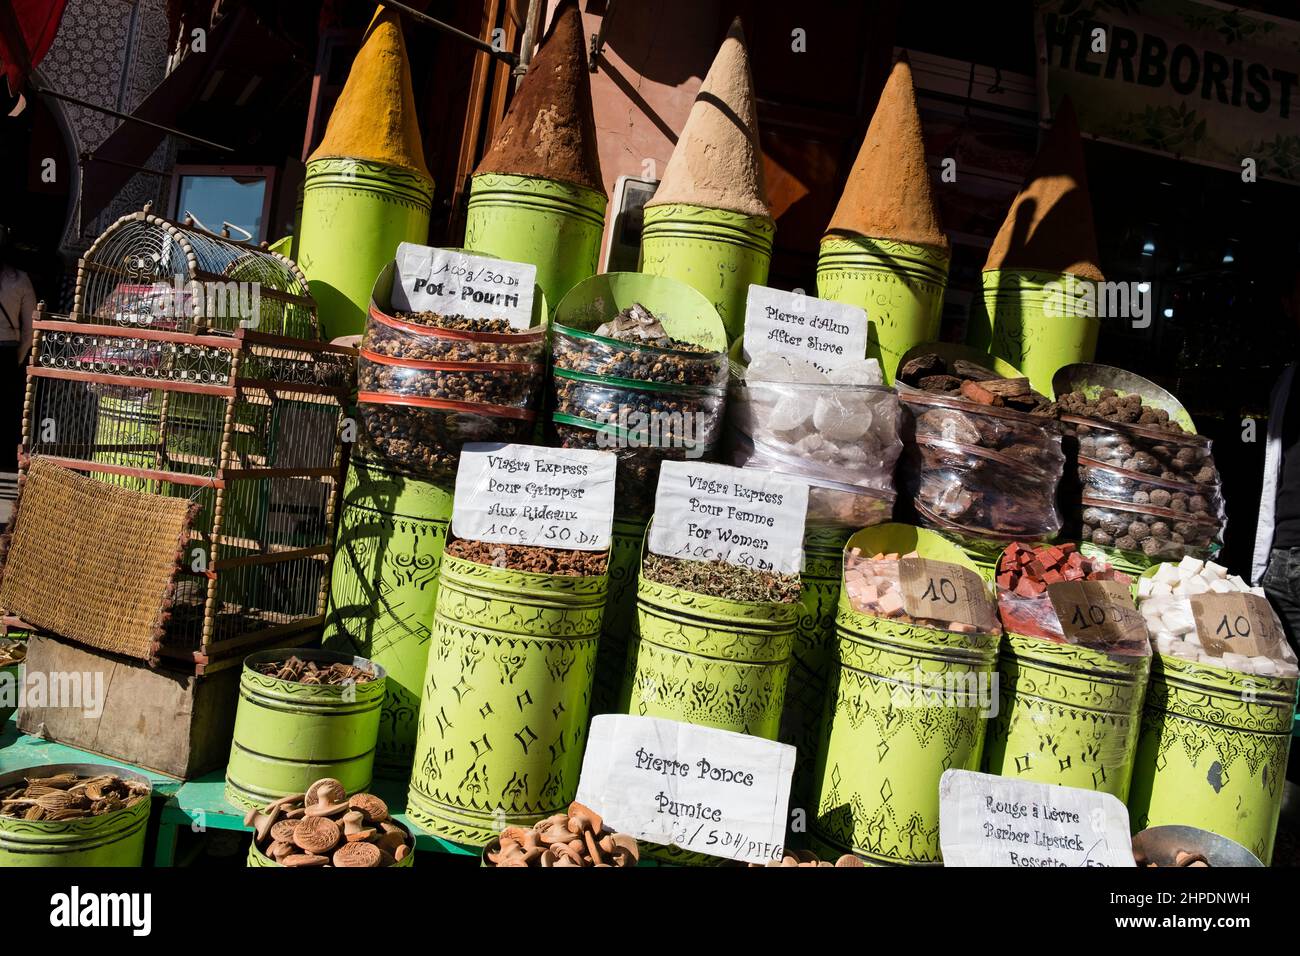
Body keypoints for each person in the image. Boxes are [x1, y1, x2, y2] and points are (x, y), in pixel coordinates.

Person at [0, 224, 36, 471]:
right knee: (5, 409)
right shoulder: (21, 280)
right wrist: (19, 357)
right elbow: (30, 329)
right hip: (5, 353)